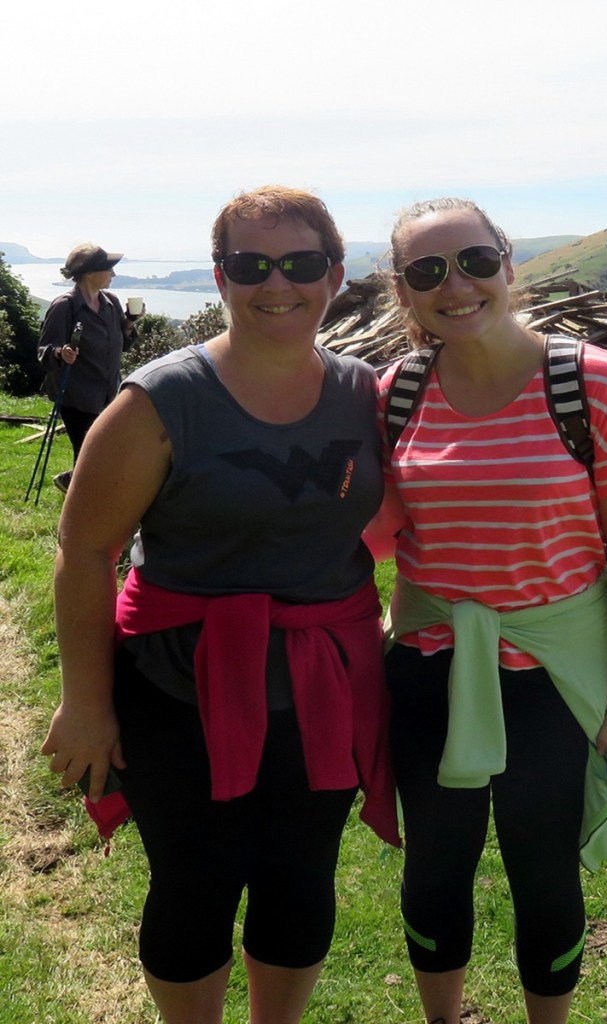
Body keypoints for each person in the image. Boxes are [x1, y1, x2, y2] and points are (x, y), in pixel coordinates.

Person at [41, 185, 399, 1024]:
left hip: (323, 688)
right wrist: (85, 702)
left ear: (335, 274)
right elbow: (84, 553)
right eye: (251, 264)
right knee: (194, 883)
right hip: (178, 690)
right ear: (220, 277)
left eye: (301, 263)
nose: (278, 283)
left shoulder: (364, 392)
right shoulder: (160, 401)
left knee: (300, 879)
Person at [365, 196, 607, 1024]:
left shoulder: (592, 383)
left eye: (474, 261)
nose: (455, 285)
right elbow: (372, 529)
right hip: (428, 671)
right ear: (403, 291)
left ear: (507, 263)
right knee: (435, 866)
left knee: (544, 871)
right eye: (427, 271)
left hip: (551, 680)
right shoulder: (397, 393)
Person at [37, 243, 141, 493]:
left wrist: (129, 323)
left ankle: (73, 484)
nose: (113, 274)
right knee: (89, 453)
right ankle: (83, 499)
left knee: (104, 450)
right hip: (77, 395)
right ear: (90, 273)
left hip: (109, 391)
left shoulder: (111, 302)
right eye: (109, 269)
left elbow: (122, 345)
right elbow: (44, 350)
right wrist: (61, 353)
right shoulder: (65, 306)